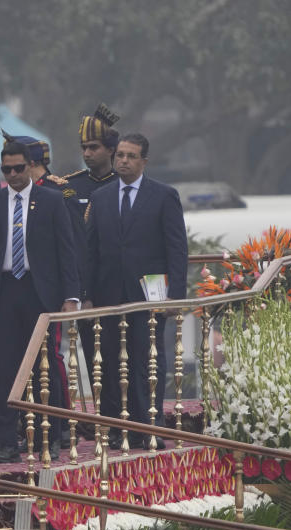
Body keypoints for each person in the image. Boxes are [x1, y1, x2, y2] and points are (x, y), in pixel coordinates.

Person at [0, 142, 79, 463]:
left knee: (46, 368)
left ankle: (52, 435)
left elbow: (66, 251)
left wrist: (70, 296)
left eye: (19, 168)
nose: (14, 175)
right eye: (7, 170)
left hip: (40, 292)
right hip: (3, 292)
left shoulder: (52, 201)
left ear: (31, 166)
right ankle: (7, 442)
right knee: (4, 370)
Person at [86, 133, 188, 450]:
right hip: (108, 295)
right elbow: (89, 250)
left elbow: (176, 247)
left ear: (144, 160)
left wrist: (177, 294)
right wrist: (86, 293)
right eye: (120, 156)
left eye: (131, 156)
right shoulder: (101, 197)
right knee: (113, 363)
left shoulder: (163, 195)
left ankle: (151, 425)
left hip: (150, 293)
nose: (124, 161)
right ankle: (117, 427)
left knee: (148, 360)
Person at [61, 103, 121, 378]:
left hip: (121, 289)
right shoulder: (70, 186)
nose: (87, 153)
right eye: (83, 147)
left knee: (128, 367)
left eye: (94, 147)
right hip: (85, 289)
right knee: (96, 368)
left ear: (110, 149)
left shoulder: (124, 184)